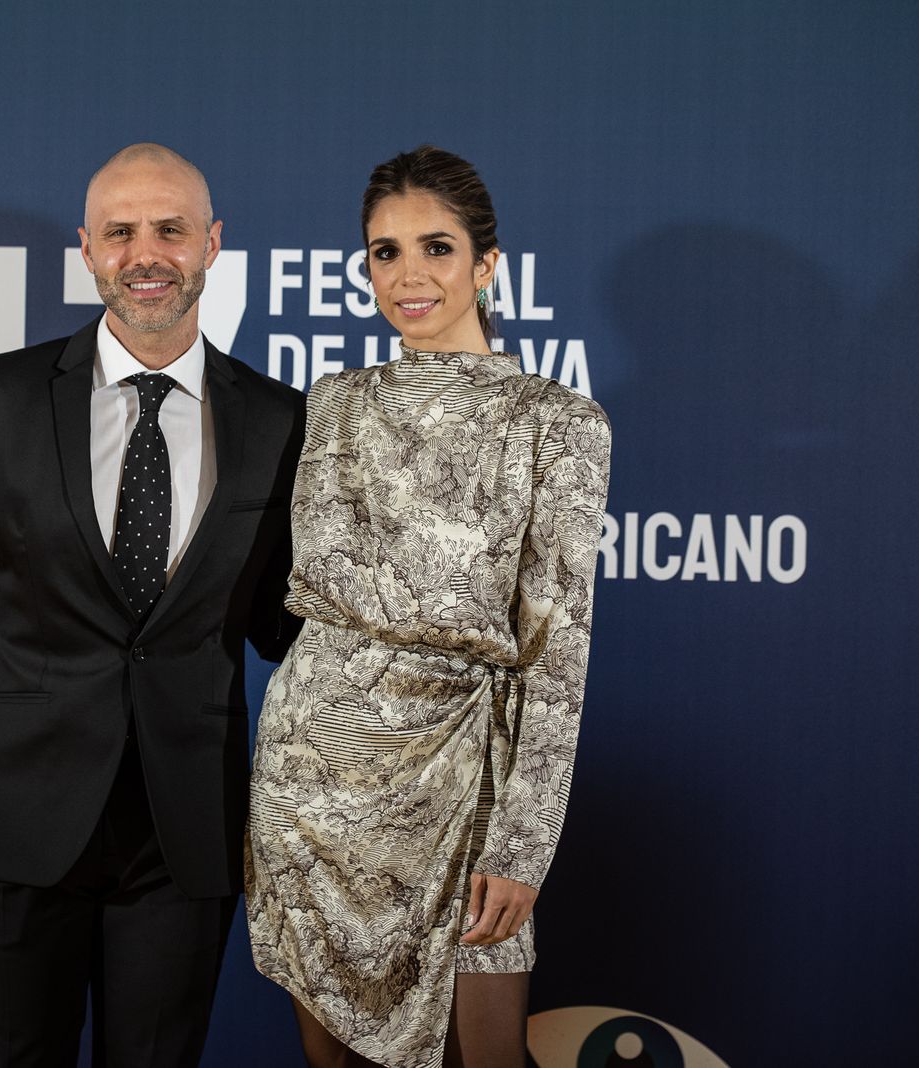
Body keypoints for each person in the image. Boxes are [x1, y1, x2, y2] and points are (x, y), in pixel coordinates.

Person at [0, 142, 305, 1067]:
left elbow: (288, 627)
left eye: (170, 229)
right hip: (14, 818)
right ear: (86, 248)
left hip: (184, 829)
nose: (145, 252)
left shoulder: (281, 420)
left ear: (212, 244)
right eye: (120, 231)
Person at [246, 146, 612, 1068]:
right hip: (312, 775)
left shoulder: (558, 422)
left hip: (465, 772)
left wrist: (524, 842)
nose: (409, 277)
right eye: (384, 252)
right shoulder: (333, 404)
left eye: (437, 248)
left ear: (487, 265)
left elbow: (557, 651)